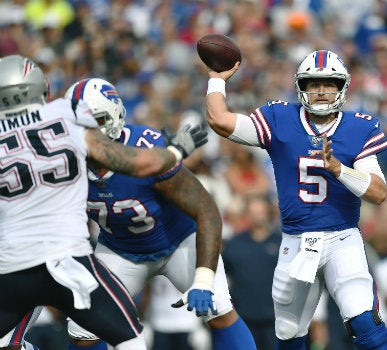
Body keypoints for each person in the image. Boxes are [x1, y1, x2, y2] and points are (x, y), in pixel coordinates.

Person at [0, 54, 207, 350]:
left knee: (9, 342)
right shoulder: (64, 114)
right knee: (131, 337)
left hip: (12, 265)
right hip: (66, 261)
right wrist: (174, 152)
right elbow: (133, 163)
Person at [203, 49, 387, 350]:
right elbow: (220, 120)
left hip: (342, 238)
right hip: (296, 242)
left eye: (329, 83)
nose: (321, 91)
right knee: (290, 334)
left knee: (364, 322)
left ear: (342, 86)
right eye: (313, 84)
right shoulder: (280, 118)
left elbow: (378, 192)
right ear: (301, 87)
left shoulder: (359, 127)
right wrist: (216, 80)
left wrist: (340, 170)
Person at [63, 78, 257, 350]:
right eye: (81, 124)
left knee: (219, 309)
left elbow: (207, 210)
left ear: (116, 116)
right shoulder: (64, 162)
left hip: (178, 242)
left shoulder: (145, 147)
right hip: (120, 250)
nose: (89, 132)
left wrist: (203, 278)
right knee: (83, 328)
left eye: (97, 120)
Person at [222, 193, 282, 350]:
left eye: (260, 211)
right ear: (247, 214)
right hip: (244, 318)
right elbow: (222, 274)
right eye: (253, 212)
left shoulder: (282, 242)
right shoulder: (235, 243)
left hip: (276, 319)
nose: (257, 216)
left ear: (269, 212)